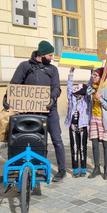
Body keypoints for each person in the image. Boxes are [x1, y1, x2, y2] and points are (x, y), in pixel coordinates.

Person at [4, 40, 66, 182]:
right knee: (32, 140)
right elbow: (15, 84)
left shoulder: (53, 69)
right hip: (31, 112)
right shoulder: (25, 66)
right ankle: (32, 167)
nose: (52, 58)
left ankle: (62, 170)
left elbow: (57, 87)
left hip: (50, 111)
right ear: (42, 54)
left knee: (57, 140)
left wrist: (53, 98)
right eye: (50, 55)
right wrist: (7, 97)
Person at [87, 67, 107, 180]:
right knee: (94, 144)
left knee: (105, 145)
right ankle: (96, 168)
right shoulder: (91, 88)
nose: (93, 77)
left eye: (95, 75)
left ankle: (106, 169)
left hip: (104, 120)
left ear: (102, 77)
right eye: (92, 75)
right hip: (94, 118)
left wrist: (101, 99)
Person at [64, 67, 89, 177]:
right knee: (74, 147)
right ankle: (75, 169)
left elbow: (89, 86)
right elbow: (69, 87)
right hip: (73, 126)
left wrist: (92, 72)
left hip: (83, 126)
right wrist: (71, 73)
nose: (77, 93)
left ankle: (83, 168)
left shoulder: (85, 100)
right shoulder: (71, 98)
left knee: (83, 148)